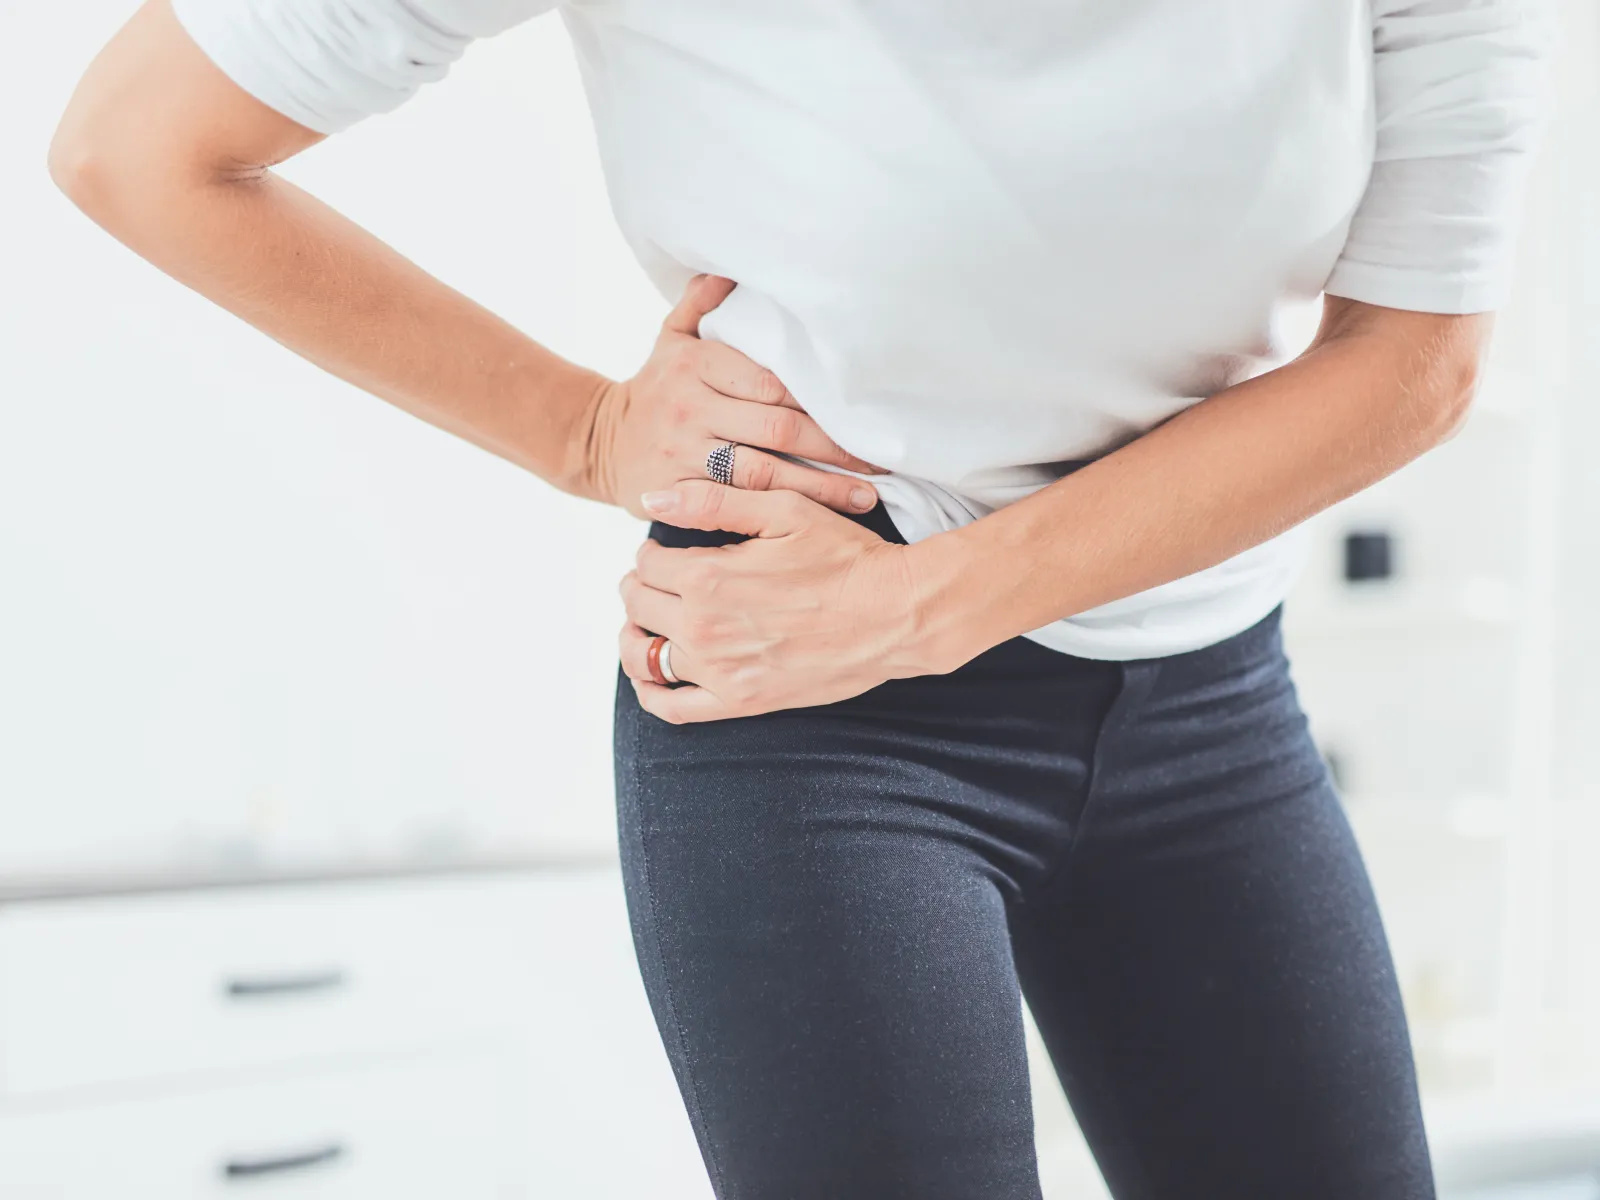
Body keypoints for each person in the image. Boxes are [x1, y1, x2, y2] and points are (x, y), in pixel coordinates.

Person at [50, 1, 1549, 1195]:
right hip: (812, 710)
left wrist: (933, 605)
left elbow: (1416, 356)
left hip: (1208, 687)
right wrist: (578, 429)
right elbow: (140, 145)